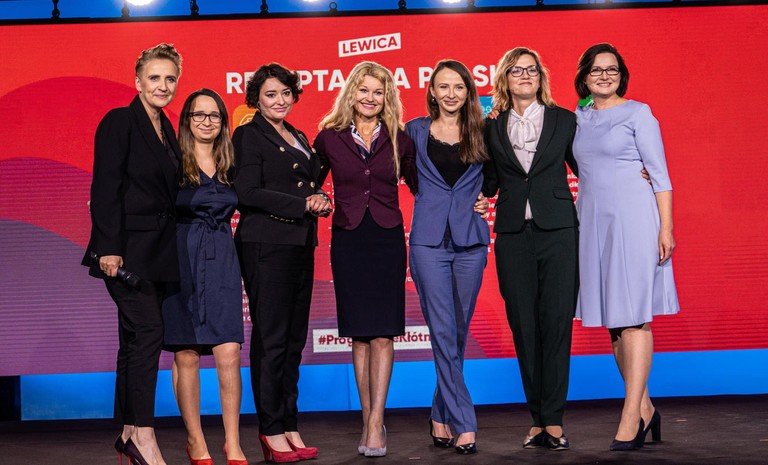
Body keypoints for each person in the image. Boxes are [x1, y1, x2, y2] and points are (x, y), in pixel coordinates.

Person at [572, 43, 679, 451]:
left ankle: (630, 415)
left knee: (634, 317)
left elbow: (660, 175)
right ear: (584, 77)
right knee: (615, 323)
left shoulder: (639, 113)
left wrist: (665, 228)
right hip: (593, 223)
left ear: (622, 75)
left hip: (634, 220)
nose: (604, 76)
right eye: (596, 70)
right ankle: (646, 408)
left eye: (612, 69)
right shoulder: (578, 118)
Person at [82, 43, 182, 465]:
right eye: (154, 77)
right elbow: (105, 186)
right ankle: (143, 434)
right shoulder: (120, 120)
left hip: (159, 254)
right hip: (124, 254)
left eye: (170, 78)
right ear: (138, 81)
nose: (163, 85)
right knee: (148, 334)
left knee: (133, 341)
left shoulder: (167, 128)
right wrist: (109, 248)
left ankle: (126, 431)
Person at [314, 61, 416, 458]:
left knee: (383, 333)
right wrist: (317, 197)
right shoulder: (329, 137)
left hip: (387, 238)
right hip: (349, 238)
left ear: (387, 97)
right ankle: (366, 418)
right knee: (359, 334)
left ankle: (377, 422)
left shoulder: (400, 138)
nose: (370, 98)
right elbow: (308, 182)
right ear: (351, 93)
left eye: (379, 92)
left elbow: (423, 185)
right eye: (364, 90)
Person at [232, 63, 330, 464]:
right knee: (271, 340)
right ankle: (270, 429)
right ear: (256, 99)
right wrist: (302, 205)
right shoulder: (248, 135)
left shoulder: (298, 135)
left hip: (300, 243)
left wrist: (319, 200)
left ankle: (289, 424)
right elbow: (246, 192)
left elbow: (309, 183)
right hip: (265, 244)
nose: (279, 100)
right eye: (270, 94)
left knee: (292, 342)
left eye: (286, 93)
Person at [482, 47, 578, 451]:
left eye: (531, 70)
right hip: (511, 234)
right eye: (516, 70)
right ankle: (536, 419)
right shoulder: (490, 125)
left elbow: (588, 166)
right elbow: (487, 180)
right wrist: (476, 197)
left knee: (556, 325)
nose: (525, 75)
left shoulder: (565, 119)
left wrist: (633, 170)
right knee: (524, 327)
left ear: (541, 77)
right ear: (504, 79)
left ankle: (553, 420)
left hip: (559, 231)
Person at [405, 60, 490, 455]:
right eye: (443, 86)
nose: (451, 93)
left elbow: (502, 176)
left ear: (468, 91)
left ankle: (440, 414)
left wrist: (489, 199)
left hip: (470, 242)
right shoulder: (413, 131)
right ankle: (464, 421)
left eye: (458, 86)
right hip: (428, 243)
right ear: (432, 92)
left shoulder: (483, 131)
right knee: (442, 330)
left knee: (456, 333)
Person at [161, 89, 247, 465]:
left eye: (214, 115)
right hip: (180, 257)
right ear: (187, 121)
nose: (207, 121)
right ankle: (196, 440)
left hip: (223, 258)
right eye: (199, 115)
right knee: (187, 353)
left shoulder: (232, 162)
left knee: (229, 351)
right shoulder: (172, 161)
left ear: (223, 122)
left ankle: (233, 441)